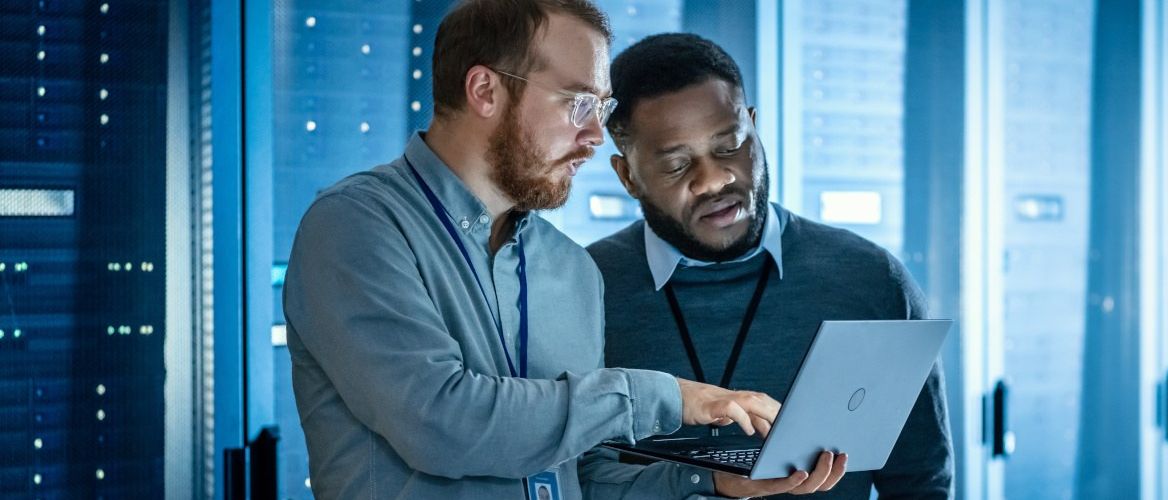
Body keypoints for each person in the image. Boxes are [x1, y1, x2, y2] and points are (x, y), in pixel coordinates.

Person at [282, 2, 781, 498]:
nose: (593, 137)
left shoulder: (573, 269)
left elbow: (582, 476)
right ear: (485, 90)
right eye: (579, 103)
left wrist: (708, 481)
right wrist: (665, 397)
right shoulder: (356, 225)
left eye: (601, 109)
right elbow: (442, 425)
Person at [582, 33, 955, 499]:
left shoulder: (870, 279)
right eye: (677, 165)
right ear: (628, 177)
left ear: (754, 126)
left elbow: (922, 482)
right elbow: (569, 477)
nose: (715, 180)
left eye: (729, 146)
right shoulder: (583, 287)